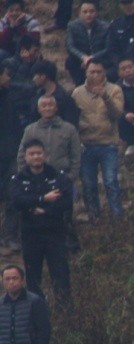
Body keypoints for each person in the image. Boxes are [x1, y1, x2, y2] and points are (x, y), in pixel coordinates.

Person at [9, 139, 73, 303]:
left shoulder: (57, 176)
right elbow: (17, 201)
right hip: (31, 235)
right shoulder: (18, 178)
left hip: (55, 233)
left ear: (45, 155)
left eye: (39, 153)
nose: (36, 157)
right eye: (32, 154)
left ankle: (66, 316)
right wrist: (43, 198)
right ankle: (37, 317)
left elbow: (66, 202)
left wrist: (45, 210)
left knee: (60, 275)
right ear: (25, 156)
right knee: (33, 278)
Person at [19, 95, 80, 253]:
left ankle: (69, 246)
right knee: (36, 212)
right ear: (39, 109)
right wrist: (24, 176)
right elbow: (21, 155)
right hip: (35, 180)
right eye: (44, 106)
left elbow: (75, 155)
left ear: (56, 107)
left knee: (65, 213)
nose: (47, 108)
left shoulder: (69, 129)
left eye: (50, 105)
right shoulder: (31, 130)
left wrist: (70, 177)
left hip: (62, 180)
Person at [71, 59, 122, 220]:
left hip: (108, 143)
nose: (95, 75)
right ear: (86, 73)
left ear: (104, 73)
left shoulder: (114, 90)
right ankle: (94, 218)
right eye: (92, 71)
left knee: (111, 181)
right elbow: (73, 117)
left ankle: (117, 218)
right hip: (86, 144)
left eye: (99, 72)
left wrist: (105, 97)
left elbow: (117, 114)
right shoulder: (77, 93)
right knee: (88, 184)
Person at [66, 1, 110, 87]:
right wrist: (83, 57)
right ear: (79, 13)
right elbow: (70, 46)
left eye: (91, 11)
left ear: (97, 13)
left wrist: (91, 58)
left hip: (99, 58)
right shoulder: (72, 26)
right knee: (70, 61)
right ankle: (80, 86)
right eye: (85, 12)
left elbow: (108, 48)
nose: (88, 14)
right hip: (81, 60)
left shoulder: (105, 27)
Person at [0, 62, 20, 251]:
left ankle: (10, 234)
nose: (9, 79)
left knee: (12, 195)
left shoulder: (10, 95)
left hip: (11, 154)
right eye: (6, 75)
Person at [29, 60, 78, 126]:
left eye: (35, 76)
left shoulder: (65, 99)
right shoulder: (36, 96)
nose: (33, 79)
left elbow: (71, 125)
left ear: (43, 77)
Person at [106, 0, 134, 77]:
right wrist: (119, 63)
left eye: (130, 3)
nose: (128, 6)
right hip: (121, 64)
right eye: (125, 4)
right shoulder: (116, 24)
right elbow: (111, 49)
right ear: (121, 6)